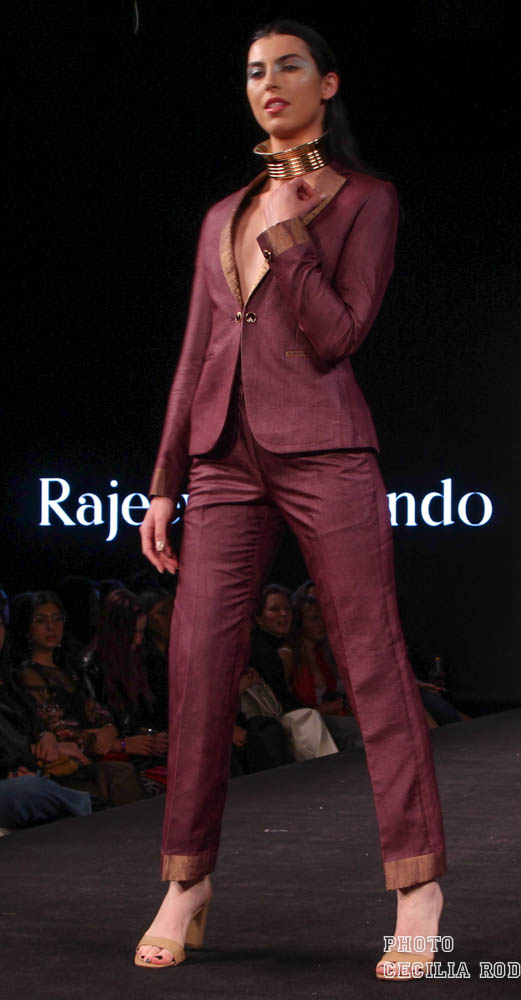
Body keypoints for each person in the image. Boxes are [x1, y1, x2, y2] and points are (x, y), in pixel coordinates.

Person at [136, 19, 445, 979]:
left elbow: (339, 334)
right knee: (197, 665)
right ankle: (186, 881)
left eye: (288, 67)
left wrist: (289, 232)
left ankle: (417, 887)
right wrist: (165, 482)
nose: (267, 83)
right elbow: (195, 352)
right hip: (223, 459)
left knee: (372, 661)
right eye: (254, 72)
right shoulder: (217, 214)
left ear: (327, 83)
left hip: (326, 449)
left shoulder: (367, 200)